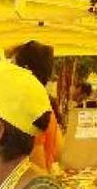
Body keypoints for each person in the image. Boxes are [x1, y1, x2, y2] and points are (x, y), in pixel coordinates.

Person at [6, 40, 62, 171]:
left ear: (25, 70)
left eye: (13, 65)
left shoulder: (30, 107)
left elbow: (37, 165)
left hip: (33, 187)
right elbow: (59, 150)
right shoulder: (45, 103)